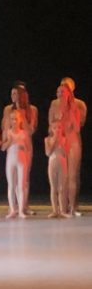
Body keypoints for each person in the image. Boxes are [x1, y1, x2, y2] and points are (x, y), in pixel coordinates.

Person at [48, 78, 86, 216]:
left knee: (72, 175)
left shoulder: (79, 105)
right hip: (59, 142)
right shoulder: (54, 104)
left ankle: (73, 207)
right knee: (60, 177)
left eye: (64, 91)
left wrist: (71, 112)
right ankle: (59, 208)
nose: (61, 94)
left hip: (73, 141)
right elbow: (50, 124)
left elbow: (77, 126)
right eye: (59, 91)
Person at [1, 109, 32, 219]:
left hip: (21, 160)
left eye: (16, 119)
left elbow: (28, 148)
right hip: (10, 160)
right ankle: (12, 209)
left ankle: (21, 210)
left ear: (20, 120)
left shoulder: (24, 133)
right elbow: (3, 148)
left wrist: (25, 152)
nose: (14, 121)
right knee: (11, 185)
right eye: (12, 119)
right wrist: (10, 141)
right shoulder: (7, 132)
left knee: (21, 185)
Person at [45, 120, 70, 219]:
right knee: (53, 187)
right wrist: (54, 141)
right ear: (51, 129)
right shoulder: (47, 139)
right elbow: (48, 153)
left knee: (62, 187)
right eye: (55, 128)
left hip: (62, 163)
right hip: (52, 162)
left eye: (59, 127)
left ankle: (63, 210)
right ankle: (55, 210)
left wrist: (61, 142)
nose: (57, 130)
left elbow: (66, 152)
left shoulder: (65, 139)